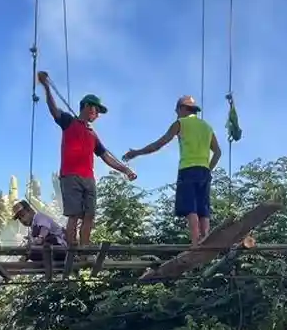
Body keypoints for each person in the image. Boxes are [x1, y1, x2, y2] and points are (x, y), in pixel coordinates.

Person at [36, 70, 136, 247]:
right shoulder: (69, 121)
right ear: (88, 107)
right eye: (96, 110)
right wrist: (46, 87)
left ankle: (84, 248)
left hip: (88, 178)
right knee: (74, 215)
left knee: (89, 215)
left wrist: (125, 170)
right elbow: (54, 110)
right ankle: (72, 250)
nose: (97, 115)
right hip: (70, 176)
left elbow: (105, 156)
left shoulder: (92, 134)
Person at [123, 96, 222, 244]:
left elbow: (159, 144)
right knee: (203, 207)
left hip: (188, 169)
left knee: (190, 206)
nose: (176, 114)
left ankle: (195, 241)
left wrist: (136, 152)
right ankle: (206, 239)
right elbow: (218, 152)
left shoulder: (180, 123)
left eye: (177, 110)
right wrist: (208, 169)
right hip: (204, 171)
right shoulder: (207, 127)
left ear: (183, 108)